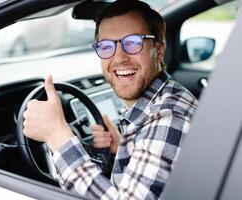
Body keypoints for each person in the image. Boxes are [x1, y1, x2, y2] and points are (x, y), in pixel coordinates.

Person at [23, 0, 198, 199]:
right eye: (106, 46)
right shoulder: (166, 98)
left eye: (133, 42)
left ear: (158, 50)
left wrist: (57, 136)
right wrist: (122, 147)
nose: (119, 57)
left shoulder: (168, 118)